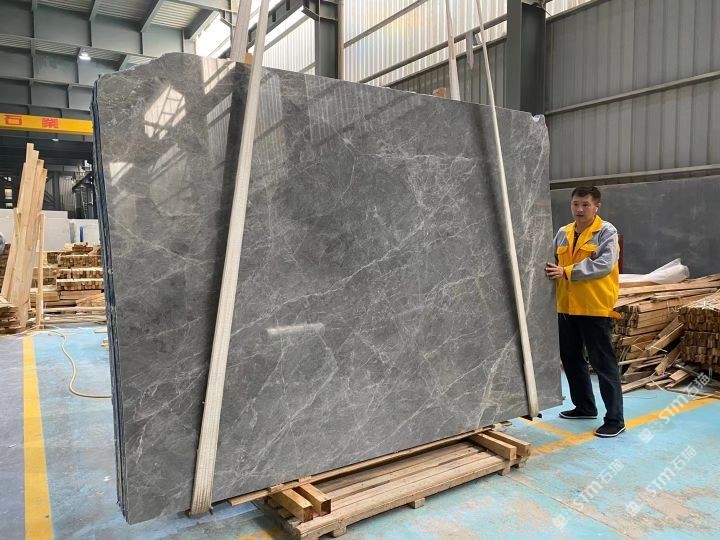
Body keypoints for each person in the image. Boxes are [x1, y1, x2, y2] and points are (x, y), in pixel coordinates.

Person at [545, 186, 624, 438]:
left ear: (596, 207)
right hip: (566, 306)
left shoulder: (606, 232)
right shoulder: (563, 233)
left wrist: (567, 272)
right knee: (571, 358)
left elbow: (604, 265)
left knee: (602, 363)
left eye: (585, 205)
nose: (579, 209)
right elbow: (550, 264)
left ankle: (615, 419)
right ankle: (584, 407)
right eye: (575, 204)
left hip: (594, 307)